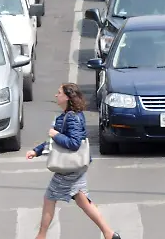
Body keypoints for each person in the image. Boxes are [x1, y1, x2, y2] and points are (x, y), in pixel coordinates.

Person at [25, 84, 121, 239]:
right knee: (83, 201)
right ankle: (109, 233)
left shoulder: (71, 117)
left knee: (49, 198)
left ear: (68, 98)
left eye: (59, 93)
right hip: (77, 166)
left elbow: (74, 143)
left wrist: (55, 135)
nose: (56, 95)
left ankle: (41, 236)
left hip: (69, 168)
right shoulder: (70, 115)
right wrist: (36, 151)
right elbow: (54, 143)